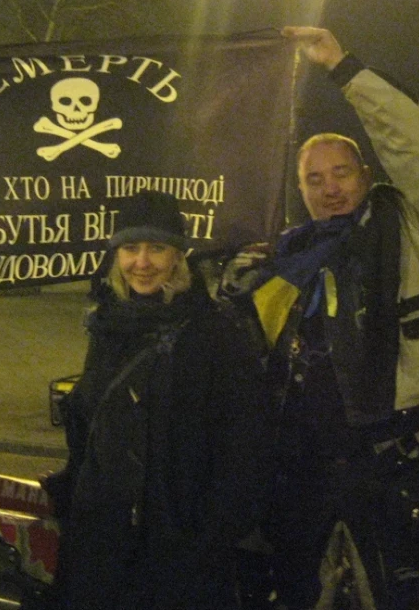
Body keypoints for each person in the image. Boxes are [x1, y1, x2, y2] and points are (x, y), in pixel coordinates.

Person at [220, 26, 419, 610]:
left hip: (374, 464)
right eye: (314, 179)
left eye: (341, 172)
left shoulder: (402, 225)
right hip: (295, 470)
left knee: (390, 593)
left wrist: (342, 67)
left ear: (365, 176)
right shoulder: (283, 256)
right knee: (293, 592)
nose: (330, 188)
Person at [42, 190, 271, 610]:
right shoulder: (107, 325)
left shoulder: (214, 334)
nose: (142, 262)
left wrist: (208, 538)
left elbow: (244, 446)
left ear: (179, 256)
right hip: (102, 547)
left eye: (157, 248)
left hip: (178, 554)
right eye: (130, 248)